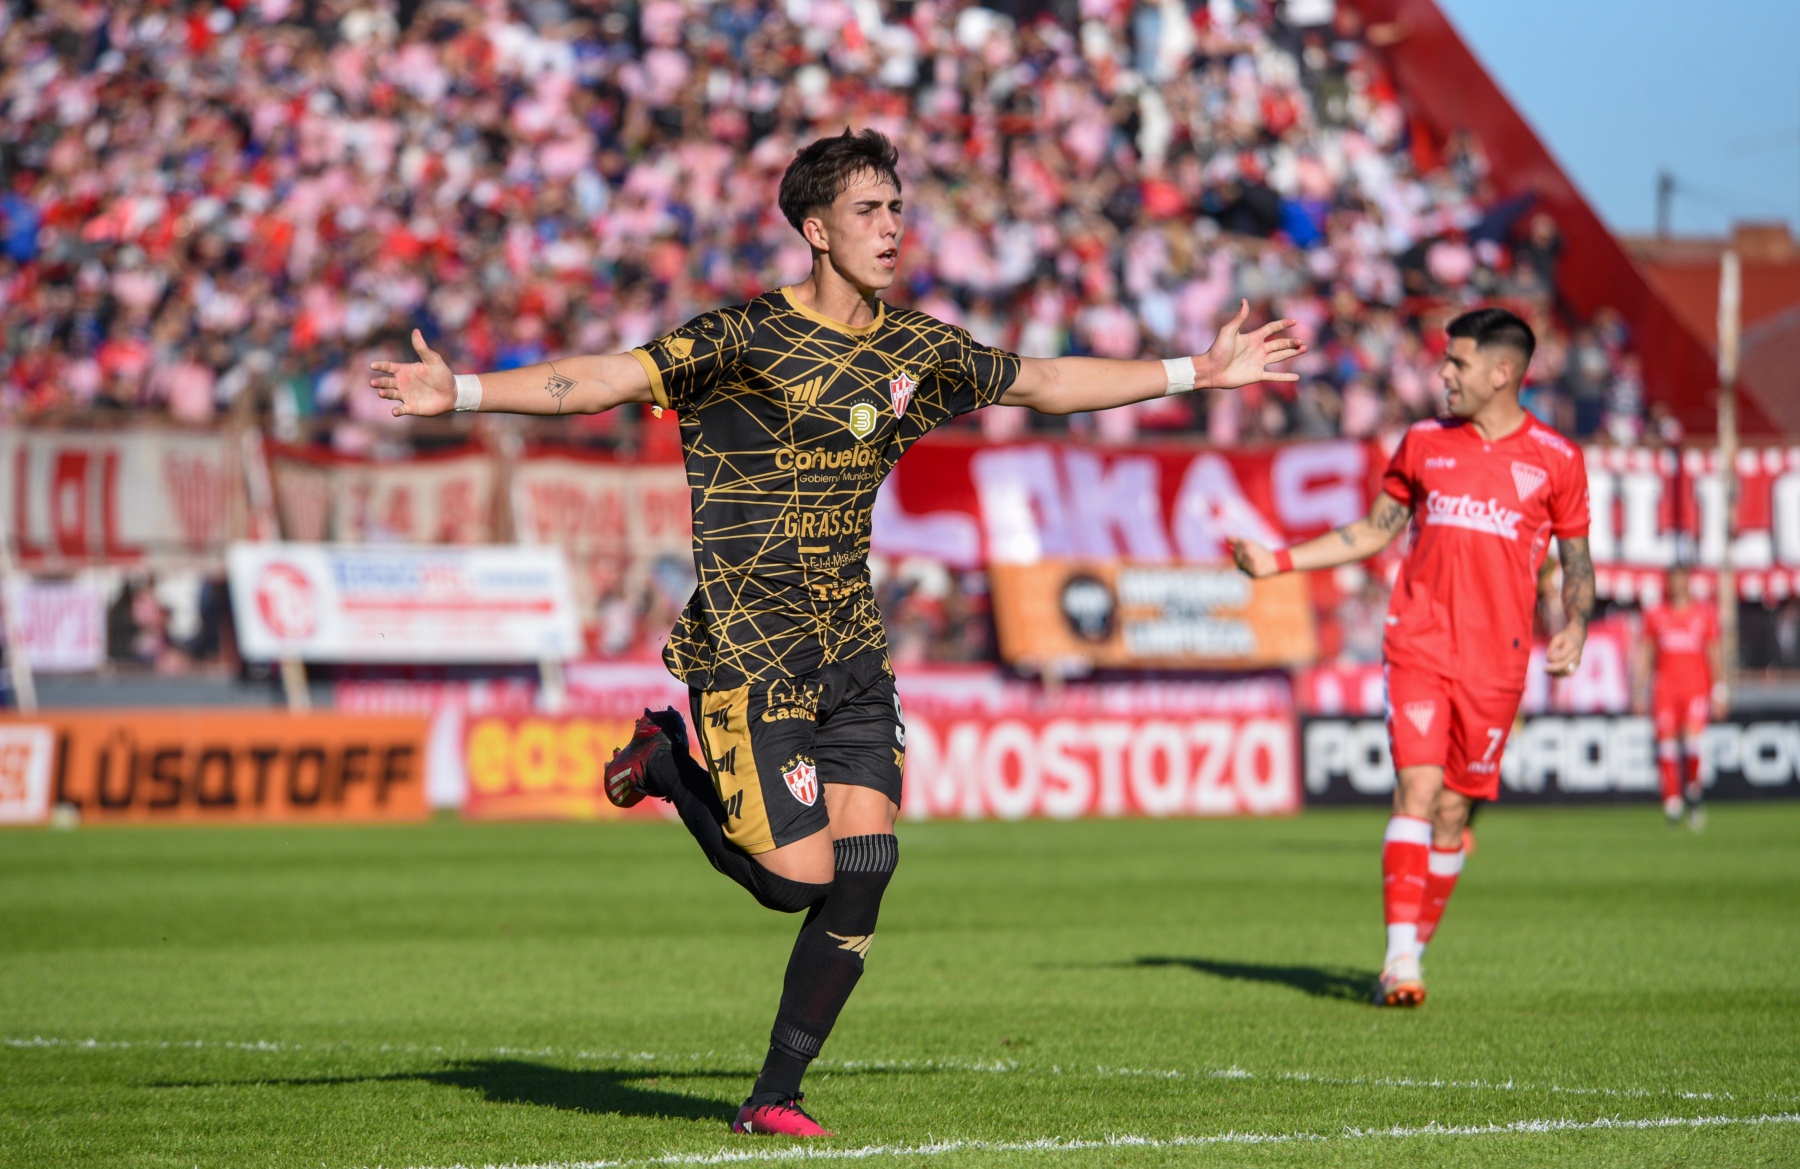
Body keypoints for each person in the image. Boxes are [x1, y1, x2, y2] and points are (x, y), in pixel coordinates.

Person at [370, 129, 1304, 1136]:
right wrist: (463, 392)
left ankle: (773, 1096)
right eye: (868, 210)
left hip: (851, 646)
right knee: (792, 881)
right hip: (751, 646)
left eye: (896, 207)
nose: (892, 226)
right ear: (816, 230)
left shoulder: (918, 349)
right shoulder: (743, 339)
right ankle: (667, 761)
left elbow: (1044, 380)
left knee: (865, 869)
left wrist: (1197, 371)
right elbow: (601, 379)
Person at [1230, 306, 1594, 1008]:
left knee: (1453, 816)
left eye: (1458, 362)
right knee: (1417, 792)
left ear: (1502, 373)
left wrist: (1575, 624)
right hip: (1419, 644)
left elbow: (1578, 562)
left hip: (1498, 663)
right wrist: (1279, 561)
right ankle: (1400, 961)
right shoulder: (1424, 442)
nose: (1443, 374)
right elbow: (1374, 530)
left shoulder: (1557, 459)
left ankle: (1410, 952)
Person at [1635, 564, 1726, 828]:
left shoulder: (1703, 614)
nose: (1676, 585)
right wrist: (1639, 688)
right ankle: (1672, 801)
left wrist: (1720, 690)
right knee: (1666, 742)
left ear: (1687, 582)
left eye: (1680, 579)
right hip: (1665, 688)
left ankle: (1693, 791)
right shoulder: (1656, 615)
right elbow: (1646, 652)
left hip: (1695, 688)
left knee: (1692, 740)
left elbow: (1714, 653)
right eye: (1672, 580)